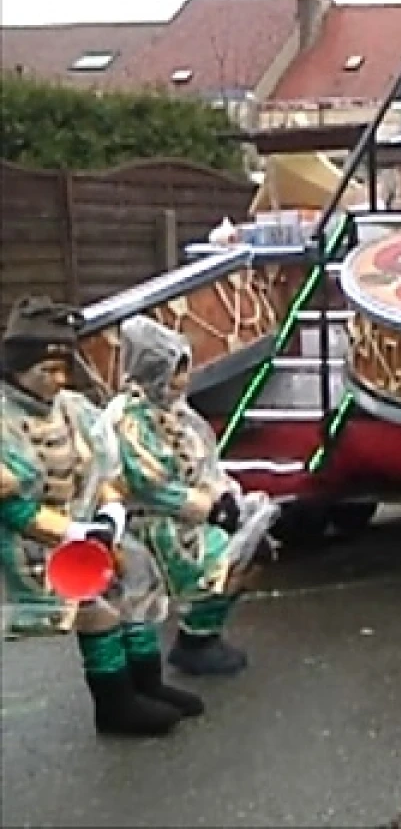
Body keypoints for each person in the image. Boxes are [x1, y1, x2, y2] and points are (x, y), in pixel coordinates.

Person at [0, 297, 191, 737]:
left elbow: (105, 471)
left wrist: (109, 516)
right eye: (45, 371)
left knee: (138, 581)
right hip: (29, 543)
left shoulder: (75, 408)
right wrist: (73, 532)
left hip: (89, 532)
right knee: (96, 610)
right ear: (15, 367)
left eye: (62, 369)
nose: (57, 380)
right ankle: (116, 707)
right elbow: (13, 506)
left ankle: (148, 685)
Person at [109, 317, 277, 677]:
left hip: (189, 514)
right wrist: (213, 510)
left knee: (256, 551)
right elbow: (151, 485)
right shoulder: (129, 419)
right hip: (149, 523)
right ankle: (183, 647)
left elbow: (205, 465)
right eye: (177, 372)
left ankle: (201, 635)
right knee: (224, 560)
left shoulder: (175, 412)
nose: (184, 381)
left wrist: (230, 498)